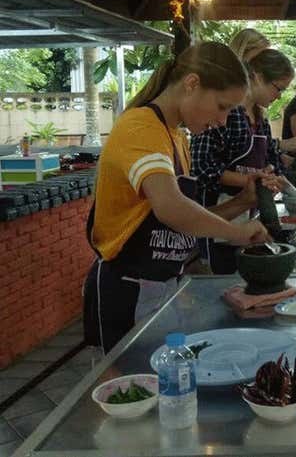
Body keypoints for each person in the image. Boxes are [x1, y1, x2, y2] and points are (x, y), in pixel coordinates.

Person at [83, 42, 272, 352]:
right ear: (192, 84)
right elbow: (170, 207)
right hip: (127, 291)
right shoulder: (140, 127)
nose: (223, 120)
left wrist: (242, 203)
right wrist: (237, 233)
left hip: (163, 288)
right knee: (131, 389)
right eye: (222, 106)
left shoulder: (177, 137)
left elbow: (186, 219)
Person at [191, 47, 296, 273]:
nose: (279, 96)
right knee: (223, 278)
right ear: (258, 77)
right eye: (278, 88)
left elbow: (274, 162)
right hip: (217, 213)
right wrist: (250, 182)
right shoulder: (224, 114)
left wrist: (294, 193)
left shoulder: (261, 120)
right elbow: (201, 167)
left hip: (250, 213)